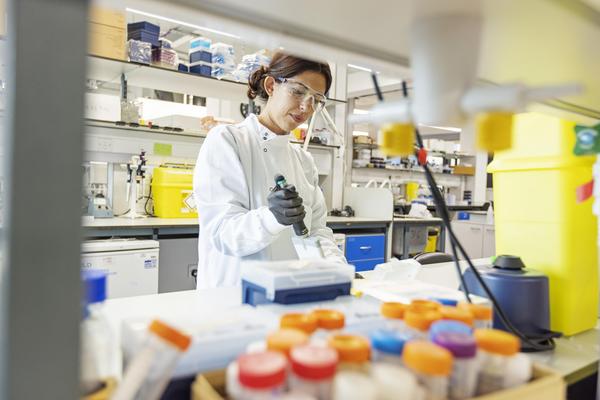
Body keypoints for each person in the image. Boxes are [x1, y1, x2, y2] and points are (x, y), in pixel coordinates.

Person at [193, 52, 347, 289]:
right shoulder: (227, 141)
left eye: (316, 99)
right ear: (271, 85)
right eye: (298, 91)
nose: (306, 106)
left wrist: (340, 271)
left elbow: (317, 231)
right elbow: (222, 234)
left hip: (288, 291)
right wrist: (271, 217)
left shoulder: (303, 160)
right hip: (234, 294)